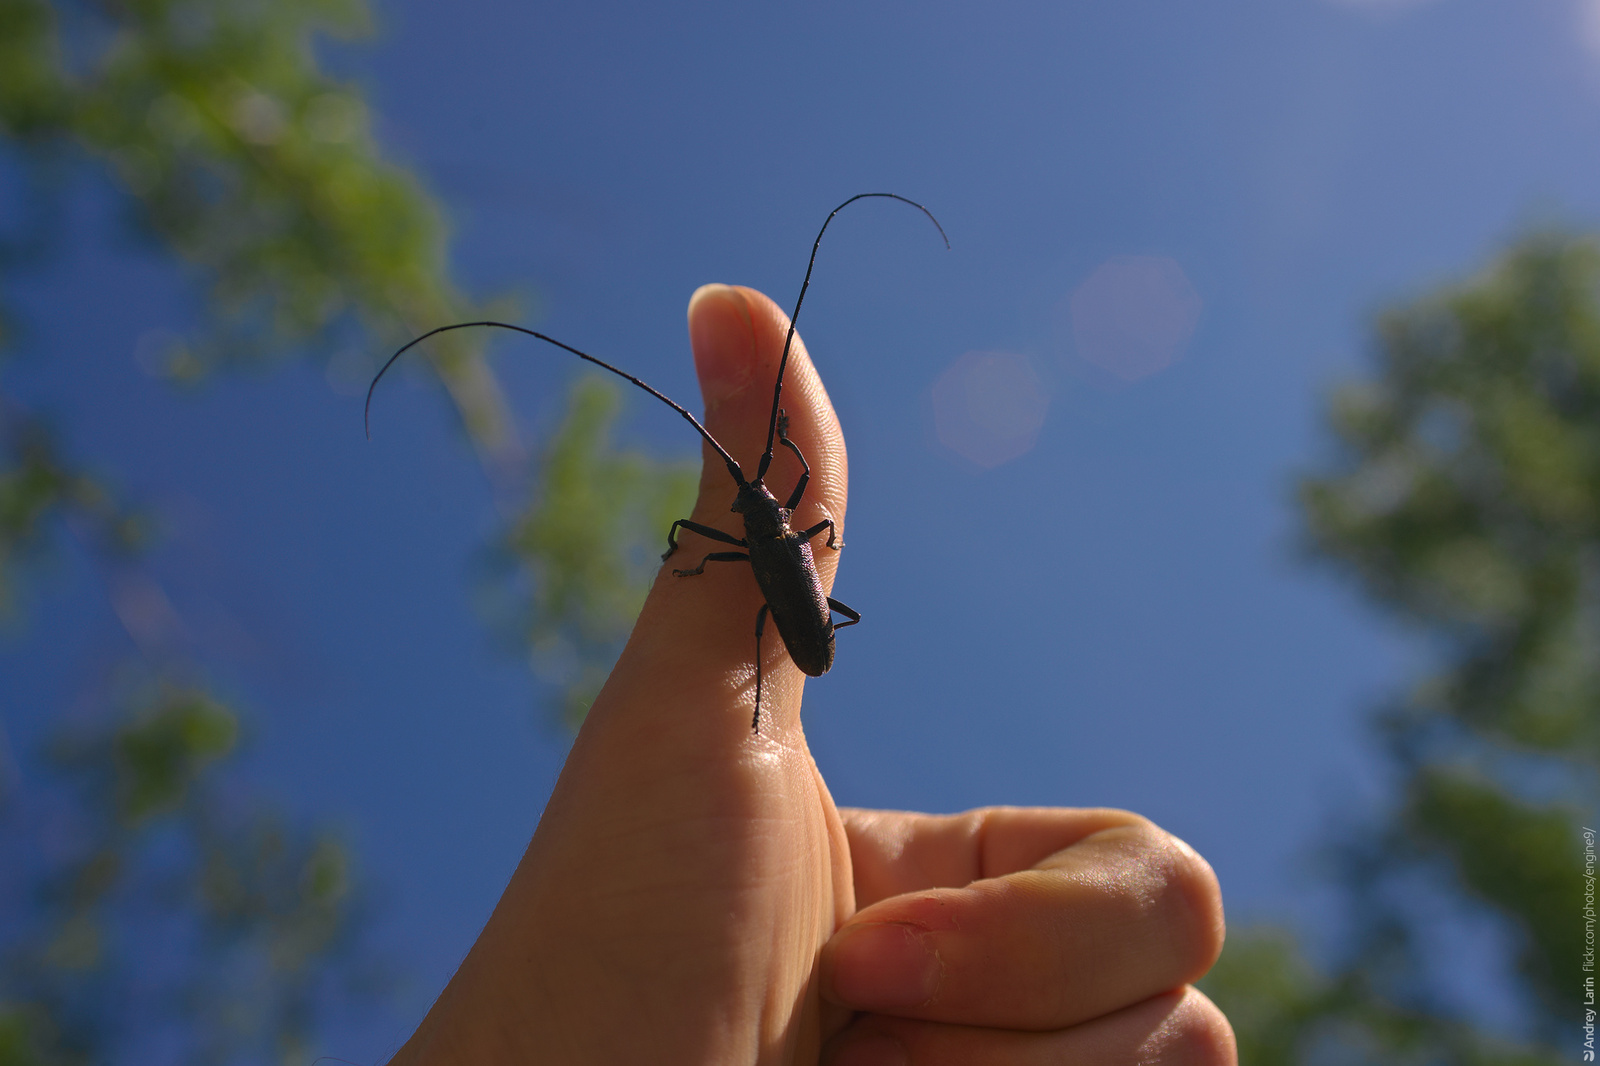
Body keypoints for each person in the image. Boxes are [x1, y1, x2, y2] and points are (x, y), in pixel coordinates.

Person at [385, 284, 1235, 1065]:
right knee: (771, 620)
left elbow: (694, 525)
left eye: (763, 494)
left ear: (768, 516)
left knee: (761, 616)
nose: (755, 495)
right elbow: (733, 510)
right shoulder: (790, 529)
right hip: (807, 613)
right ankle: (767, 688)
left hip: (799, 616)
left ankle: (764, 692)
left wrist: (690, 560)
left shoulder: (763, 541)